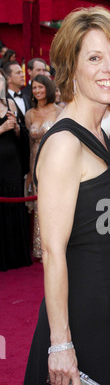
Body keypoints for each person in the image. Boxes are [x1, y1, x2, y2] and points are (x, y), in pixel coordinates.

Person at [11, 5, 110, 385]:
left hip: (109, 311)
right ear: (71, 67)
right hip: (80, 315)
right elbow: (54, 252)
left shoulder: (103, 133)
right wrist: (61, 343)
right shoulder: (64, 142)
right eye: (94, 57)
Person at [25, 74, 62, 260]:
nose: (37, 91)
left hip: (55, 160)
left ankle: (58, 245)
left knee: (56, 202)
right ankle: (41, 248)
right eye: (34, 88)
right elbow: (29, 142)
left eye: (40, 87)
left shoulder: (59, 110)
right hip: (35, 162)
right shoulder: (29, 114)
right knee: (40, 205)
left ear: (48, 88)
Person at [0, 68, 31, 271]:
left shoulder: (9, 104)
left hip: (13, 163)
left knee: (14, 202)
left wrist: (18, 130)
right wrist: (2, 129)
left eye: (1, 80)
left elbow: (21, 136)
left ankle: (17, 255)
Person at [3, 61, 31, 178]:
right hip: (8, 158)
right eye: (18, 73)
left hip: (26, 158)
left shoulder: (29, 98)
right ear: (8, 79)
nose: (23, 75)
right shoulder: (4, 101)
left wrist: (18, 129)